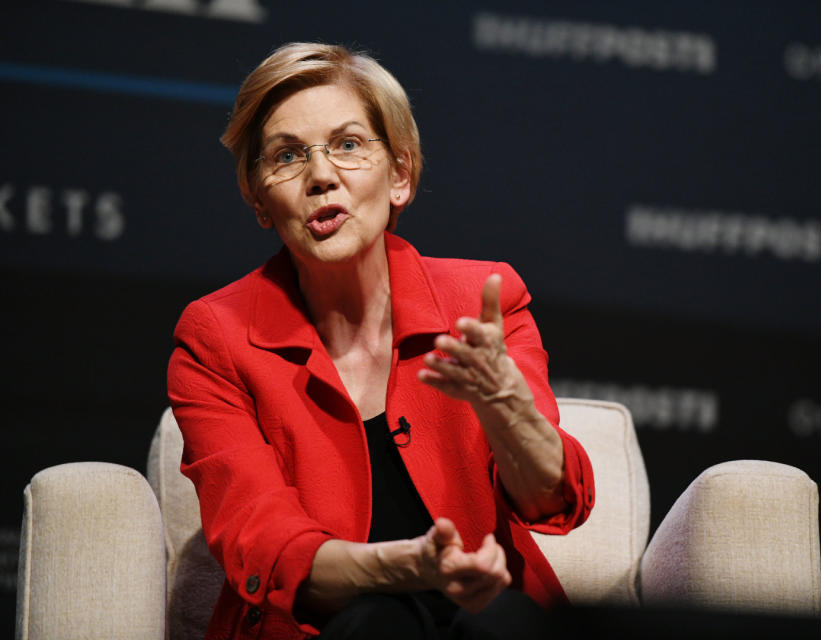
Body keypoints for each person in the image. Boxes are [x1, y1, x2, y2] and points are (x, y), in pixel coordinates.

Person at [167, 42, 594, 640]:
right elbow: (262, 541)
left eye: (347, 145)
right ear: (259, 199)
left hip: (489, 612)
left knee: (500, 624)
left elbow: (552, 500)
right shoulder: (216, 338)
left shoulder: (481, 301)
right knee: (376, 624)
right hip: (323, 628)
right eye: (287, 156)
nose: (320, 176)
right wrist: (408, 568)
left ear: (399, 176)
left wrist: (508, 409)